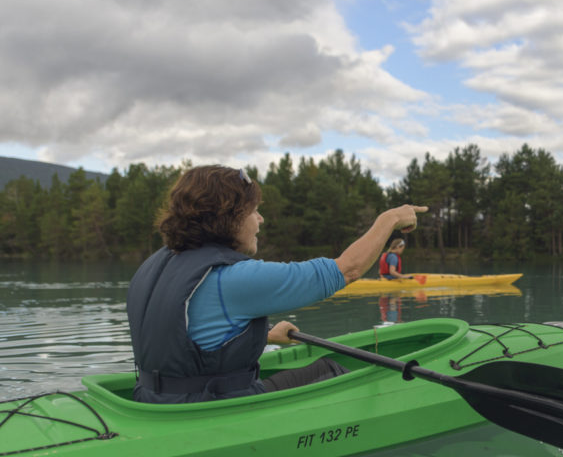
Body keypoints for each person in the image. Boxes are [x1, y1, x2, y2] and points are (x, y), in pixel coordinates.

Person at [126, 165, 426, 404]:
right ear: (229, 216)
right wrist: (390, 219)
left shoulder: (154, 265)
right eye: (253, 210)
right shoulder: (233, 278)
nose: (261, 219)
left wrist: (265, 336)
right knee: (332, 370)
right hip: (213, 410)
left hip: (153, 399)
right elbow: (348, 269)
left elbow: (184, 337)